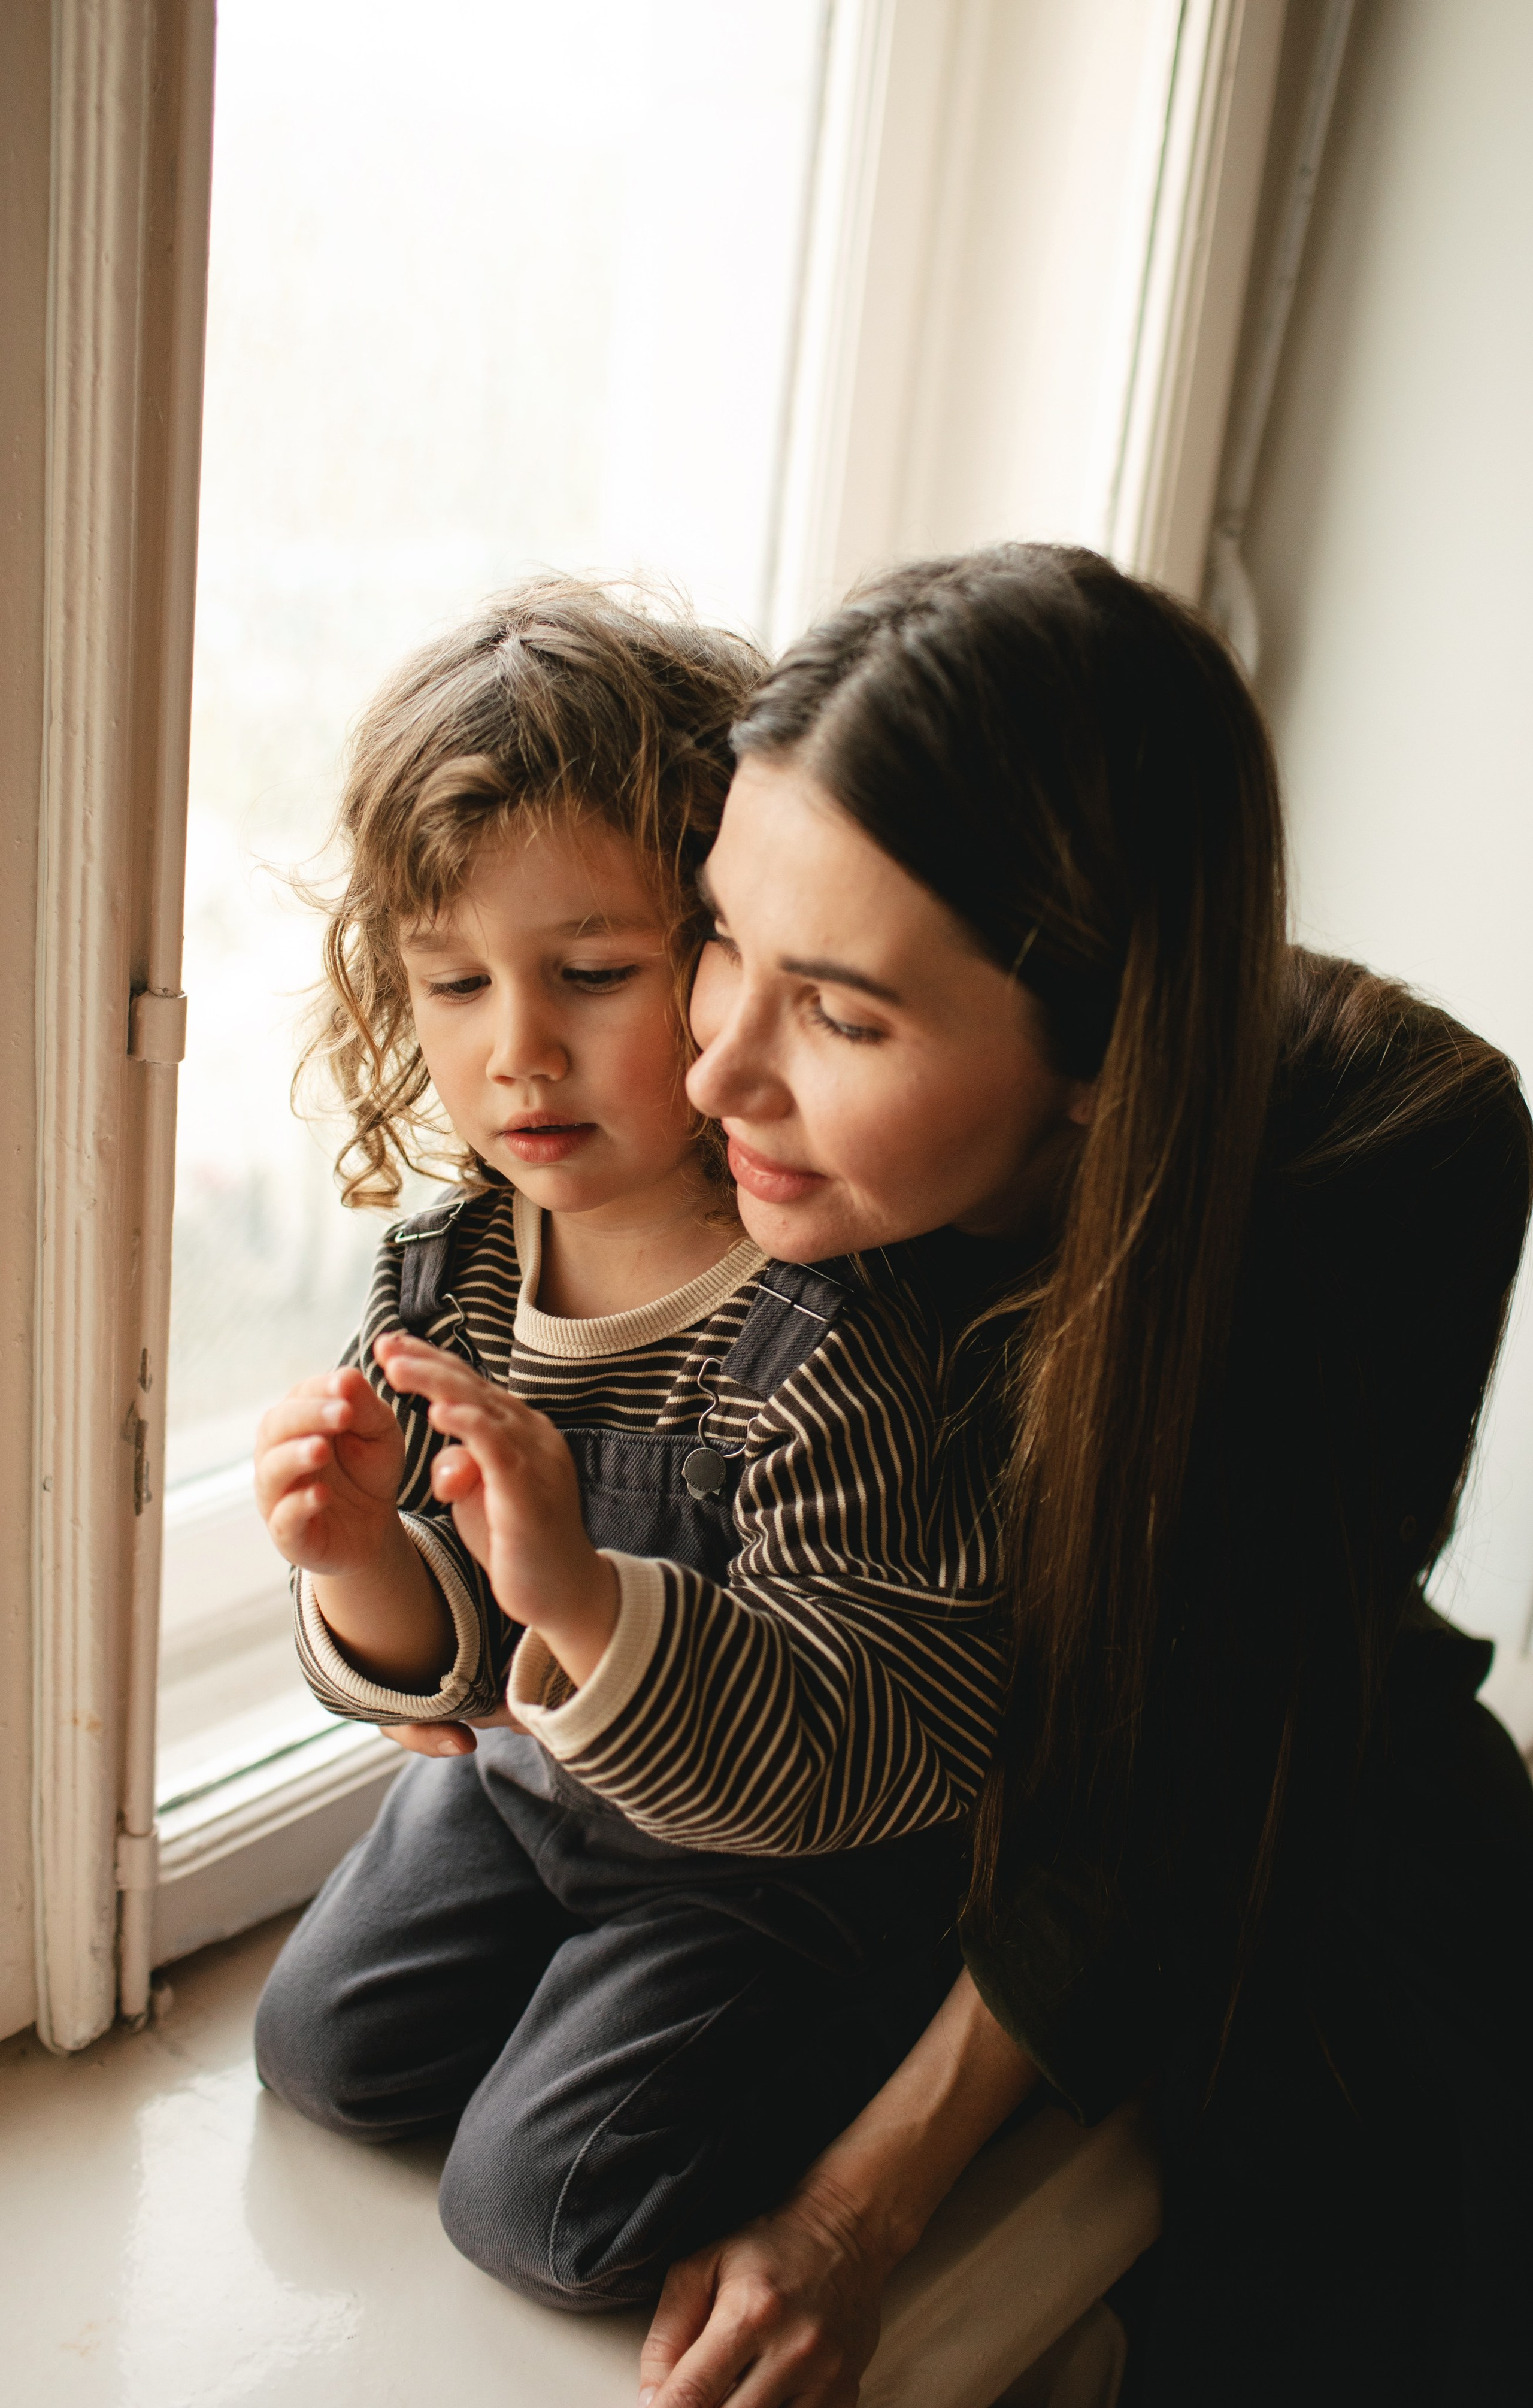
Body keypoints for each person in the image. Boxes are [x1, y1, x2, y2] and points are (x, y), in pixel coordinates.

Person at [622, 543, 1533, 2406]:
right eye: (724, 930)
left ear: (1106, 1056)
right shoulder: (795, 1144)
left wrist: (858, 2219)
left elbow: (1177, 1773)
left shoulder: (1395, 1164)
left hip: (1303, 1938)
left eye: (843, 1016)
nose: (714, 1070)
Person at [250, 578, 1012, 2311]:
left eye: (592, 974)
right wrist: (364, 1562)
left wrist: (584, 1598)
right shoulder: (449, 1269)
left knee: (541, 2214)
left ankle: (836, 2019)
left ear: (728, 957)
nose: (518, 1050)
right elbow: (448, 1680)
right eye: (451, 983)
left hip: (780, 1870)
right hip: (539, 1796)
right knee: (323, 2054)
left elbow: (872, 1730)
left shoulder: (825, 1321)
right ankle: (576, 1979)